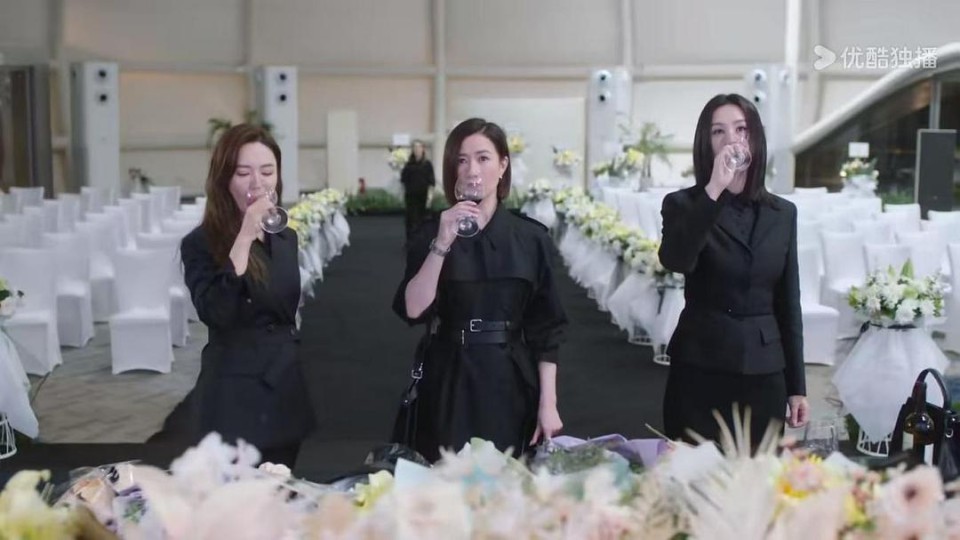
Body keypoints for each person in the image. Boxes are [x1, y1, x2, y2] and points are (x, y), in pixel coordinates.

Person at [393, 118, 567, 462]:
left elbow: (547, 329)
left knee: (509, 480)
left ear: (502, 166)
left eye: (483, 158)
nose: (472, 170)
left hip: (510, 378)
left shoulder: (531, 238)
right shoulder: (432, 232)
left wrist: (549, 404)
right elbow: (413, 309)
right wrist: (442, 243)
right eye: (461, 160)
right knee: (445, 480)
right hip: (449, 377)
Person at [658, 94, 809, 449]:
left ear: (755, 138)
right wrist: (714, 189)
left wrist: (797, 387)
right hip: (700, 364)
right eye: (718, 131)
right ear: (706, 143)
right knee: (693, 473)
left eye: (741, 129)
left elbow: (788, 302)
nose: (731, 140)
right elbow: (676, 260)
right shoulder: (683, 205)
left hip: (764, 370)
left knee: (758, 475)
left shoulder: (782, 213)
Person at [181, 124, 314, 467]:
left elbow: (285, 311)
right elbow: (216, 311)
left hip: (283, 386)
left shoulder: (285, 238)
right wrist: (243, 238)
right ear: (224, 180)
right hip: (234, 393)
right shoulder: (201, 243)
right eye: (243, 173)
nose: (257, 183)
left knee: (282, 486)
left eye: (267, 172)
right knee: (239, 493)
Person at [400, 139, 436, 238]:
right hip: (410, 197)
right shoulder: (408, 165)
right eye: (415, 147)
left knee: (423, 221)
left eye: (419, 147)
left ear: (422, 149)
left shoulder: (427, 164)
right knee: (411, 221)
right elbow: (403, 181)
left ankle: (421, 241)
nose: (417, 149)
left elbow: (431, 183)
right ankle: (410, 241)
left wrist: (429, 199)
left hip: (423, 197)